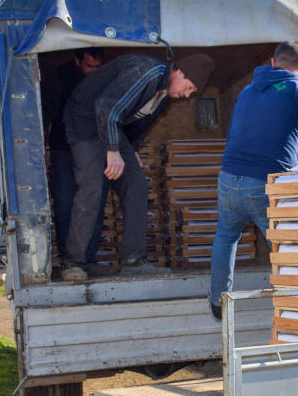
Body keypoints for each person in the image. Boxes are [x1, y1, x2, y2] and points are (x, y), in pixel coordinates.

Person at [209, 41, 298, 319]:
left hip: (228, 177)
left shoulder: (247, 91)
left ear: (273, 62)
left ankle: (218, 304)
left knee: (226, 236)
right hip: (265, 183)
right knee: (283, 245)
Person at [62, 52, 215, 281]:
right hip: (85, 120)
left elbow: (137, 123)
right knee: (92, 188)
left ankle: (133, 261)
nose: (186, 95)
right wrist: (113, 150)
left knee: (136, 186)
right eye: (189, 87)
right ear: (180, 72)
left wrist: (131, 149)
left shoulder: (164, 96)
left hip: (112, 128)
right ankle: (73, 262)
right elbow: (106, 106)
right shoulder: (146, 73)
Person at [41, 48, 112, 277]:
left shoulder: (103, 79)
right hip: (63, 148)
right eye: (89, 66)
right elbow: (44, 114)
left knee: (95, 201)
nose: (94, 71)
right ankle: (69, 261)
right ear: (76, 60)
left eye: (98, 67)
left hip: (94, 148)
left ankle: (87, 258)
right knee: (65, 201)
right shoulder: (57, 79)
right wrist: (43, 146)